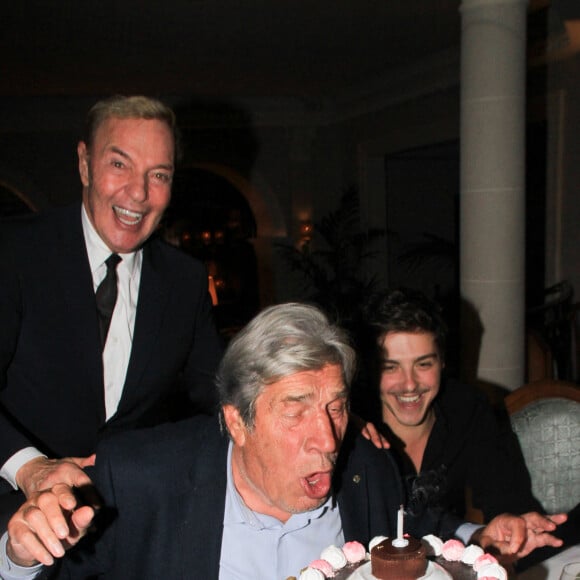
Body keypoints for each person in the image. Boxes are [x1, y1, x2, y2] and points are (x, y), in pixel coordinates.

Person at [0, 303, 565, 579]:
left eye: (336, 407)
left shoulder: (365, 461)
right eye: (295, 411)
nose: (326, 440)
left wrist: (478, 532)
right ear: (237, 421)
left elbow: (411, 525)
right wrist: (19, 554)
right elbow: (51, 569)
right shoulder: (141, 481)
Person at [0, 96, 223, 510]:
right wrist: (30, 469)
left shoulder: (185, 280)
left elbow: (219, 391)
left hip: (131, 523)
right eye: (119, 164)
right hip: (14, 513)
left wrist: (322, 411)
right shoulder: (14, 252)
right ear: (84, 164)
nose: (138, 193)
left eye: (158, 174)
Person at [351, 287, 544, 523]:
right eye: (390, 367)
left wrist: (511, 525)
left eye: (423, 365)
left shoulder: (466, 408)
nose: (409, 384)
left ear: (442, 361)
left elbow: (509, 500)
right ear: (371, 369)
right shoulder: (350, 426)